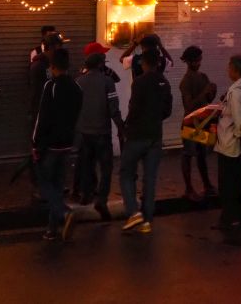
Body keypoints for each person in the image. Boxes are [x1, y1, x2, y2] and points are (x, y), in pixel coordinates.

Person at [120, 47, 172, 236]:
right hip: (155, 136)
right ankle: (146, 220)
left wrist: (126, 128)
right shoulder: (164, 82)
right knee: (149, 179)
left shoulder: (139, 82)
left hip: (137, 135)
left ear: (144, 63)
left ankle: (133, 212)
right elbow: (168, 110)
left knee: (126, 173)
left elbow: (134, 109)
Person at [32, 47, 83, 241]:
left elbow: (42, 117)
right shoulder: (77, 87)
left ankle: (64, 212)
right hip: (67, 143)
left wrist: (36, 143)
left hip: (50, 145)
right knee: (58, 185)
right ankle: (51, 230)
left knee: (45, 184)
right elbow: (76, 114)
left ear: (52, 66)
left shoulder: (50, 86)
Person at [74, 41, 125, 220]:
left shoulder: (78, 82)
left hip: (84, 132)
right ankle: (101, 199)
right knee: (106, 167)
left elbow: (75, 108)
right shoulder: (107, 81)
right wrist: (121, 126)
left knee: (87, 165)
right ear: (100, 64)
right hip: (102, 132)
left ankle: (85, 194)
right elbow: (113, 108)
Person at [214, 54, 241, 230]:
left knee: (227, 184)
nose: (227, 70)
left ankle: (228, 218)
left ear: (235, 70)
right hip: (238, 142)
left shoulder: (236, 92)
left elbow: (238, 119)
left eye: (229, 67)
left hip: (230, 144)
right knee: (240, 182)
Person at [178, 45, 218, 202]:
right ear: (191, 61)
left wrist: (212, 92)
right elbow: (189, 106)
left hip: (203, 122)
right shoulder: (185, 82)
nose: (200, 62)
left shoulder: (203, 77)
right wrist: (205, 92)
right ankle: (189, 188)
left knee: (201, 154)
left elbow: (207, 101)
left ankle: (207, 185)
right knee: (188, 154)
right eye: (198, 59)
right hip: (190, 123)